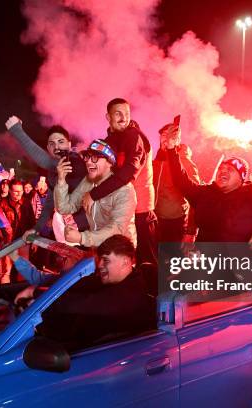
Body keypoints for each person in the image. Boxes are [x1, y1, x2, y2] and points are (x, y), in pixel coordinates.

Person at [15, 235, 156, 351]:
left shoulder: (129, 295)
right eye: (100, 259)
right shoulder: (112, 282)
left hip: (97, 360)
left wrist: (36, 294)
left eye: (105, 260)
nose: (100, 264)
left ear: (125, 262)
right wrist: (40, 291)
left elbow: (82, 303)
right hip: (81, 345)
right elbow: (74, 285)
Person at [82, 98, 157, 266]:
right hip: (119, 211)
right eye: (118, 114)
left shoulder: (134, 137)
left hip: (140, 212)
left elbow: (129, 172)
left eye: (127, 114)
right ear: (108, 117)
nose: (124, 118)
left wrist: (94, 194)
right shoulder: (111, 140)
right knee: (122, 263)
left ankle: (155, 292)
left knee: (145, 263)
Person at [164, 138, 252, 242]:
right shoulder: (205, 193)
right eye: (221, 168)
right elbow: (180, 181)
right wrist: (171, 149)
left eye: (230, 169)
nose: (223, 171)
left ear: (241, 178)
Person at [5, 117, 89, 233]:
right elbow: (49, 204)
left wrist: (17, 131)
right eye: (52, 144)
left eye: (61, 142)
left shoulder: (76, 162)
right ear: (48, 148)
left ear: (69, 145)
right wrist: (36, 229)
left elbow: (47, 162)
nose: (57, 147)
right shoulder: (53, 173)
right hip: (74, 233)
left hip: (92, 231)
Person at [55, 139, 137, 247]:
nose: (88, 162)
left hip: (120, 252)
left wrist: (82, 237)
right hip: (97, 249)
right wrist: (61, 180)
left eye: (95, 158)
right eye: (87, 157)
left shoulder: (124, 190)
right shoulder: (88, 182)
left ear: (110, 162)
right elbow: (65, 208)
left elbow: (117, 229)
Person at [153, 121, 200, 242]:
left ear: (177, 139)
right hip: (155, 219)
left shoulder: (185, 162)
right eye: (163, 135)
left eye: (170, 136)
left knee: (174, 258)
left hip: (176, 223)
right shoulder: (155, 163)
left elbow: (196, 199)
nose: (166, 139)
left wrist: (191, 230)